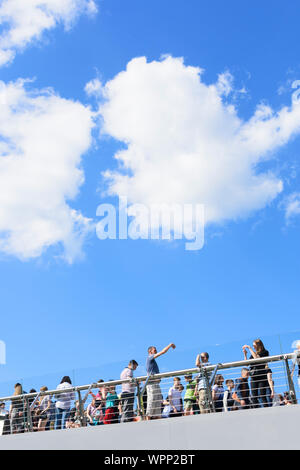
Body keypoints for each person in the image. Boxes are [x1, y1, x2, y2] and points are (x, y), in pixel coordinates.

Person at [146, 343, 176, 420]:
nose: (156, 350)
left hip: (156, 384)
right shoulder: (149, 358)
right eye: (154, 349)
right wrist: (170, 345)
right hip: (152, 384)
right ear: (150, 351)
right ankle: (147, 422)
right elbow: (162, 352)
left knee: (157, 404)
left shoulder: (152, 361)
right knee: (151, 403)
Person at [243, 339, 270, 408]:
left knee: (262, 395)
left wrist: (250, 348)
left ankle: (266, 409)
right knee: (254, 395)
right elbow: (247, 364)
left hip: (261, 375)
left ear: (258, 345)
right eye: (252, 346)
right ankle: (256, 410)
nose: (253, 347)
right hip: (254, 376)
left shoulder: (265, 352)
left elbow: (256, 358)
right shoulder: (253, 354)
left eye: (254, 345)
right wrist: (245, 354)